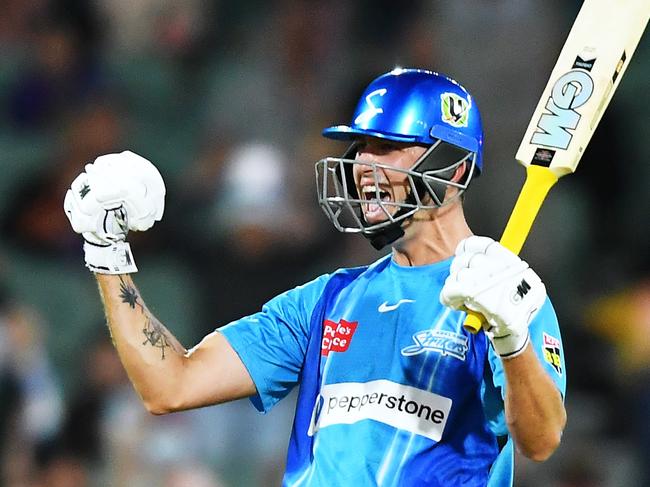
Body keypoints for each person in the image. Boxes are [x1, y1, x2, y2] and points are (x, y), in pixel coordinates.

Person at [63, 68, 567, 486]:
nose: (364, 163)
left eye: (388, 146)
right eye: (361, 146)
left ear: (454, 169)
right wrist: (107, 253)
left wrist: (512, 339)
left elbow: (541, 440)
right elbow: (170, 385)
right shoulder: (327, 301)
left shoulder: (509, 296)